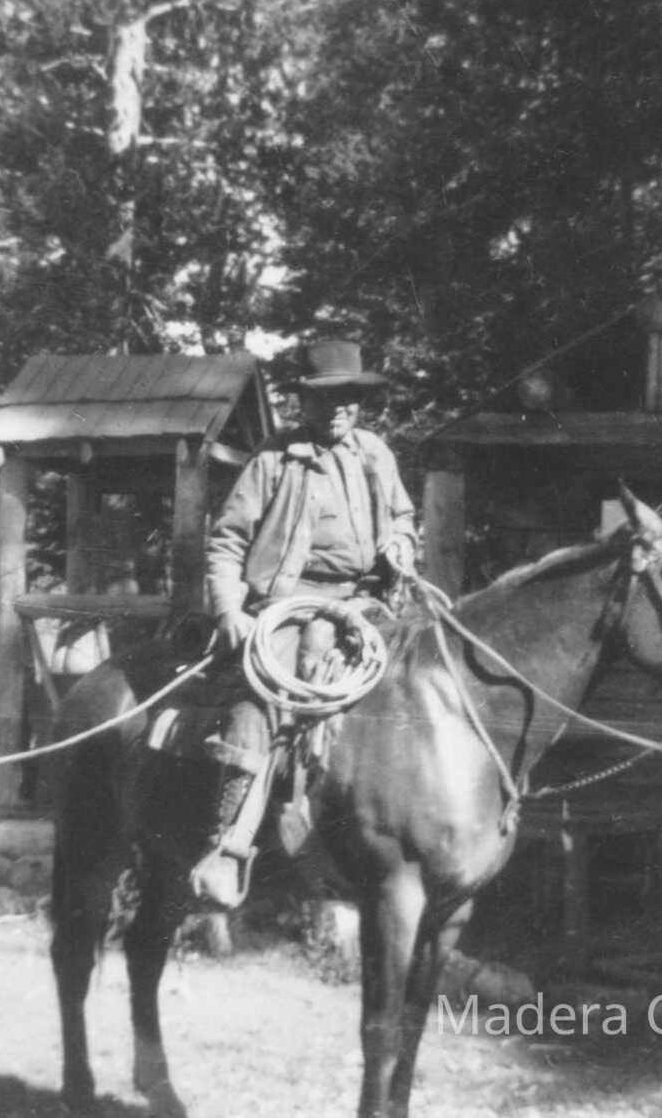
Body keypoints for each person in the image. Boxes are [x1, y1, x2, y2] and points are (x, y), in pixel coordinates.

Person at [193, 339, 417, 908]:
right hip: (287, 605)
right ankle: (228, 845)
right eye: (329, 398)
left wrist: (400, 544)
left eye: (351, 397)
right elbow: (227, 541)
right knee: (258, 699)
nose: (341, 408)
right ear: (305, 402)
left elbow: (403, 517)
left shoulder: (375, 453)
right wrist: (230, 610)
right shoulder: (275, 459)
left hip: (365, 604)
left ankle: (399, 832)